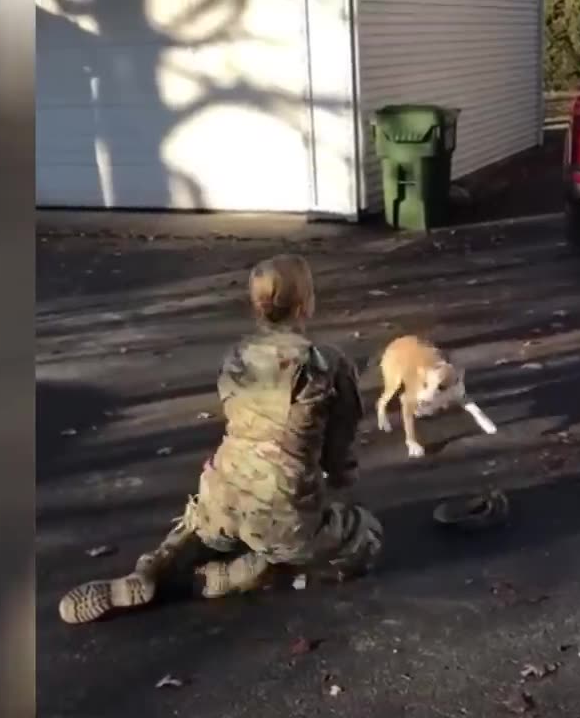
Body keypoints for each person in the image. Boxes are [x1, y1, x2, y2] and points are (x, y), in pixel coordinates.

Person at [59, 254, 383, 624]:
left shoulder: (236, 357)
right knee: (364, 535)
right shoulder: (327, 363)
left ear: (257, 305)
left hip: (223, 488)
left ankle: (156, 567)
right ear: (306, 302)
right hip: (282, 507)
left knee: (202, 529)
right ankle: (244, 573)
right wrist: (340, 479)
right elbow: (339, 449)